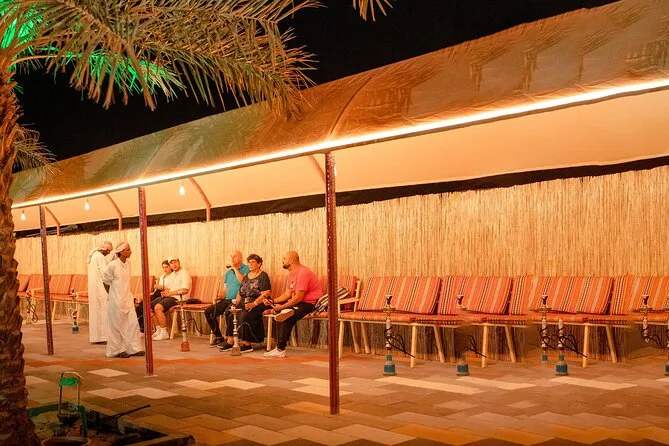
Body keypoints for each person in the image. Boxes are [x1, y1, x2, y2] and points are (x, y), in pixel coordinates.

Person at [263, 251, 322, 358]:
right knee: (280, 311)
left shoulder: (303, 273)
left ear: (292, 261)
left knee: (287, 315)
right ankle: (279, 348)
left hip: (310, 303)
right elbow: (287, 294)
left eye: (284, 259)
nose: (282, 261)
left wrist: (283, 306)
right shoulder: (291, 274)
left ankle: (280, 349)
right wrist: (273, 301)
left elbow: (299, 297)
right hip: (299, 302)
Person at [218, 254, 271, 353]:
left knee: (246, 315)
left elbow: (267, 293)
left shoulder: (263, 276)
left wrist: (254, 303)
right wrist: (236, 303)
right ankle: (230, 342)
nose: (250, 264)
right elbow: (240, 292)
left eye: (253, 262)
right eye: (249, 262)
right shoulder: (246, 276)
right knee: (231, 314)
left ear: (259, 264)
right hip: (245, 301)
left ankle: (247, 344)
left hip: (259, 302)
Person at [103, 242, 144, 358]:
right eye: (127, 250)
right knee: (117, 325)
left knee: (132, 323)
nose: (130, 251)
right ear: (121, 252)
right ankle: (117, 350)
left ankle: (134, 349)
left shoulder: (128, 263)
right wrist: (112, 295)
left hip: (127, 298)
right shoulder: (113, 265)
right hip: (116, 299)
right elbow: (105, 281)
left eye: (129, 249)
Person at [205, 250, 249, 346]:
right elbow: (225, 289)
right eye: (231, 256)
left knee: (228, 312)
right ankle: (219, 337)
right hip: (227, 300)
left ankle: (230, 339)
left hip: (238, 300)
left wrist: (235, 268)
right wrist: (220, 296)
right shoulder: (228, 273)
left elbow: (244, 282)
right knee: (209, 311)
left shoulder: (246, 269)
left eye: (235, 256)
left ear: (241, 258)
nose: (232, 258)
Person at [152, 256, 191, 341]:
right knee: (149, 306)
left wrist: (169, 293)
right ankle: (159, 329)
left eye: (175, 262)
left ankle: (164, 333)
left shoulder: (184, 273)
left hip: (180, 298)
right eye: (171, 263)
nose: (174, 265)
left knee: (158, 307)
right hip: (171, 296)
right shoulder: (173, 274)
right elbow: (169, 288)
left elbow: (185, 290)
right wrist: (165, 292)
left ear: (179, 262)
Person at [135, 260, 172, 333]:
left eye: (167, 267)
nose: (165, 269)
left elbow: (169, 289)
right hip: (157, 293)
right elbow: (157, 288)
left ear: (170, 267)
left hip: (163, 294)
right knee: (141, 306)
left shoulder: (173, 276)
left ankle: (143, 328)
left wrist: (160, 287)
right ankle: (139, 326)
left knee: (146, 306)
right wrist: (156, 287)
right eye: (163, 267)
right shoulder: (162, 276)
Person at [87, 240, 113, 344]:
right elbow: (105, 273)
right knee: (102, 311)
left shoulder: (94, 255)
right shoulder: (100, 257)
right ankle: (103, 337)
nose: (109, 253)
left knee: (95, 313)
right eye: (109, 251)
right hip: (100, 288)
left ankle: (95, 337)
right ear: (104, 249)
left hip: (93, 288)